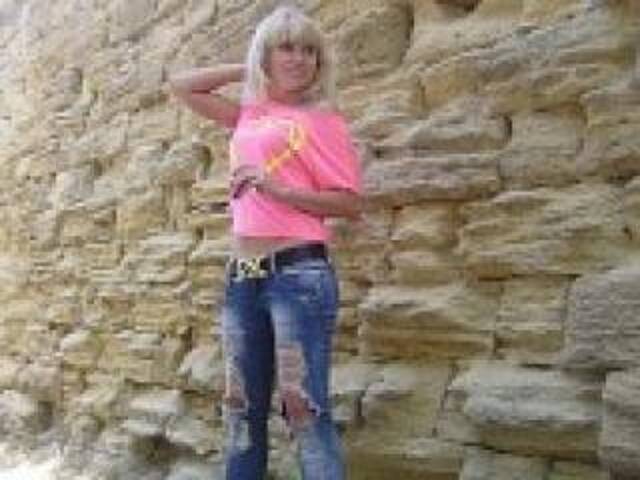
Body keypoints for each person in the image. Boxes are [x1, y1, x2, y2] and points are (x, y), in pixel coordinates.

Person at [169, 5, 363, 480]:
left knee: (304, 412)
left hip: (298, 275)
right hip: (243, 277)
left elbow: (349, 204)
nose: (298, 59)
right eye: (286, 48)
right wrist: (251, 67)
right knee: (240, 409)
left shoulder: (323, 121)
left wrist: (280, 190)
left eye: (309, 51)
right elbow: (183, 86)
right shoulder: (249, 114)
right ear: (267, 55)